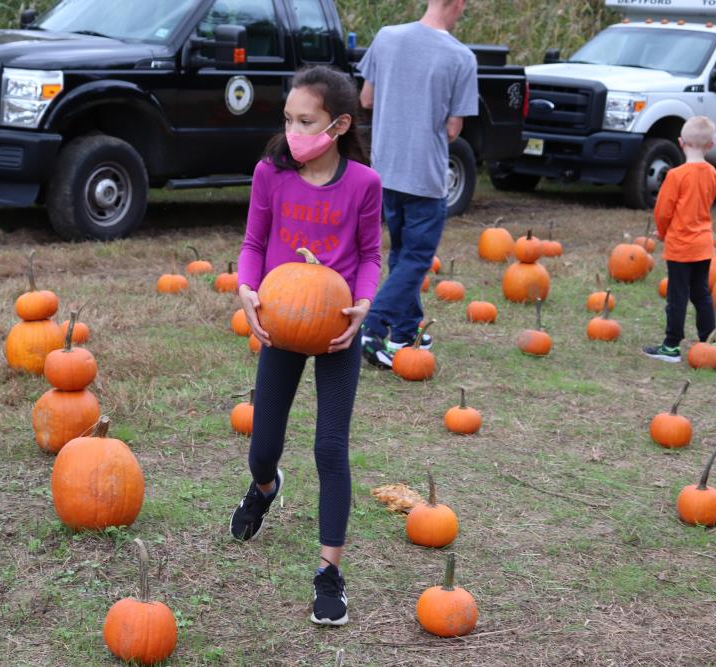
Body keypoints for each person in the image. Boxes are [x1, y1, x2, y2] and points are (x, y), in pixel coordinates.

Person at [230, 65, 382, 626]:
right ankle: (265, 488)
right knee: (262, 448)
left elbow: (370, 255)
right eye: (288, 119)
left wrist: (363, 303)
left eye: (306, 121)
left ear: (338, 125)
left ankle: (328, 573)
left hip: (336, 326)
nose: (293, 131)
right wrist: (247, 289)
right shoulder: (271, 173)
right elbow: (254, 243)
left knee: (329, 449)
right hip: (283, 321)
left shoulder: (363, 183)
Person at [356, 0, 478, 368]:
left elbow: (366, 99)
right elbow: (453, 129)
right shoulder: (461, 57)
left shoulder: (386, 37)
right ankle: (372, 326)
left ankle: (406, 330)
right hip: (424, 173)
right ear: (457, 3)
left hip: (386, 169)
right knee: (417, 258)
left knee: (401, 254)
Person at [643, 116, 716, 362]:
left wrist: (662, 232)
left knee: (677, 296)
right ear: (711, 145)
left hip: (681, 246)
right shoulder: (712, 173)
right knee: (701, 293)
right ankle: (709, 341)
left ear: (680, 142)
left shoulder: (676, 175)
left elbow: (663, 211)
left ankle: (671, 346)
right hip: (703, 245)